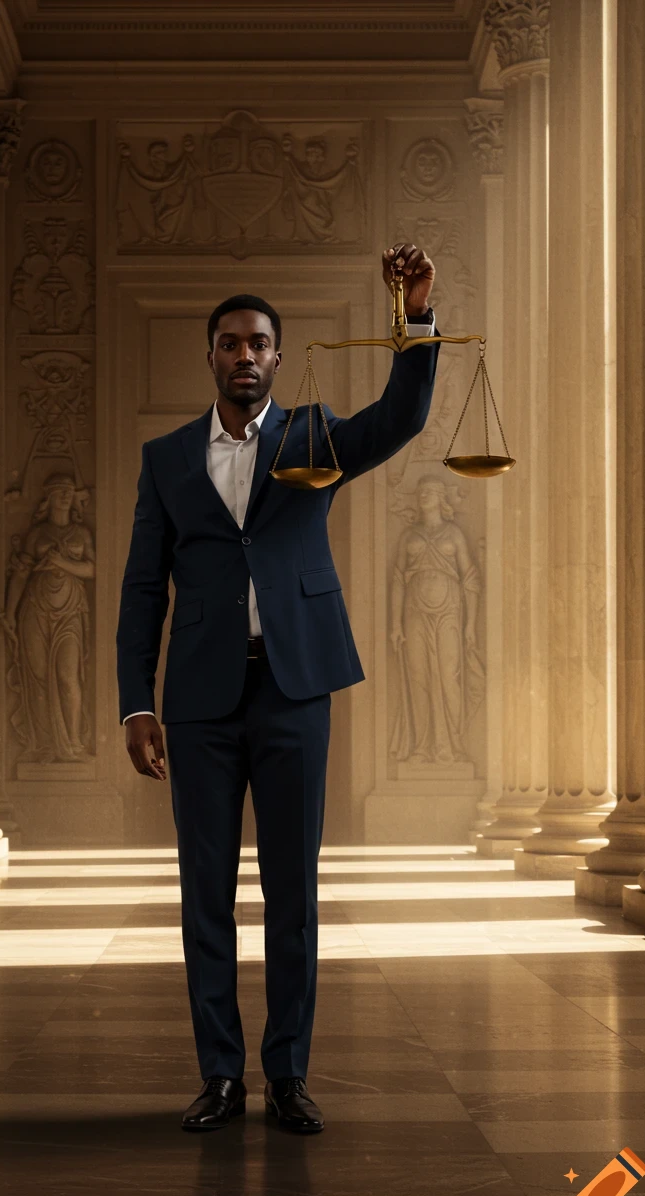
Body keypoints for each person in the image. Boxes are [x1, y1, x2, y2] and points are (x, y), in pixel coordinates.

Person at [116, 242, 438, 1133]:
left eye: (260, 342)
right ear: (211, 355)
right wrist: (135, 702)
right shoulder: (167, 458)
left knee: (292, 893)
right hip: (200, 702)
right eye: (231, 343)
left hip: (296, 691)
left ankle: (288, 1074)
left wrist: (415, 314)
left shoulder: (314, 439)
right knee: (205, 891)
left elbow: (404, 415)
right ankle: (220, 1076)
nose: (246, 355)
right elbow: (145, 588)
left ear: (278, 356)